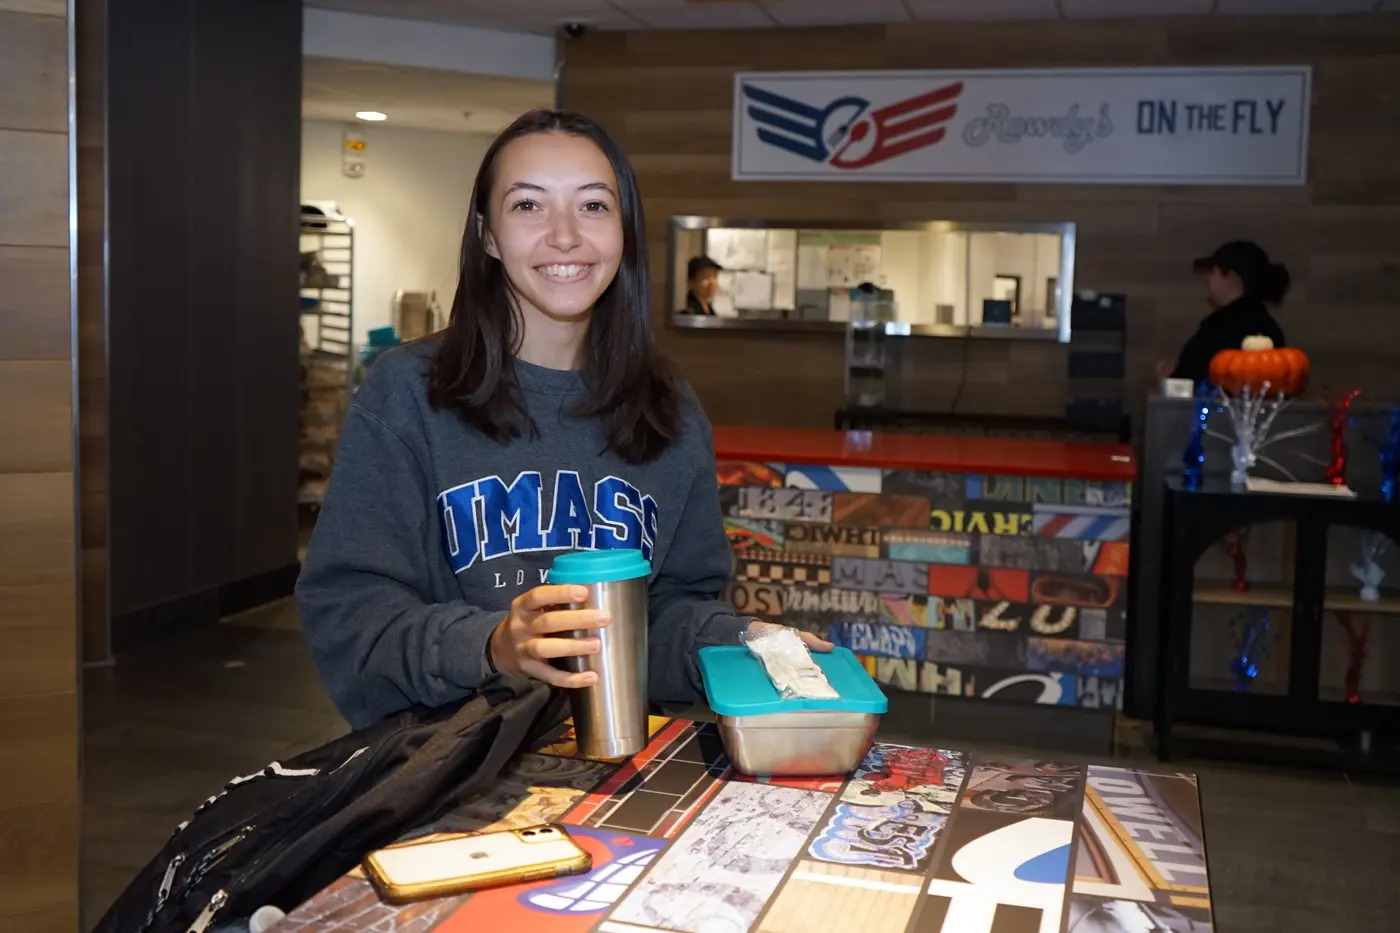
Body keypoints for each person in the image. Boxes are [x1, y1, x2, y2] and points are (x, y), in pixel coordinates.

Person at [296, 110, 829, 729]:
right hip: (443, 768)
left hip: (616, 766)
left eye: (594, 206)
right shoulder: (408, 392)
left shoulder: (670, 410)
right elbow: (350, 610)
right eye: (528, 206)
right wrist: (495, 644)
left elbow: (672, 608)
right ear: (488, 235)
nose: (566, 235)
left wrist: (742, 637)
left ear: (624, 230)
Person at [1165, 240, 1290, 384]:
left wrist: (1169, 381)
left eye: (1213, 272)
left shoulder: (1221, 328)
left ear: (1232, 277)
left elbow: (1189, 381)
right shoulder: (1269, 327)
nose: (1207, 280)